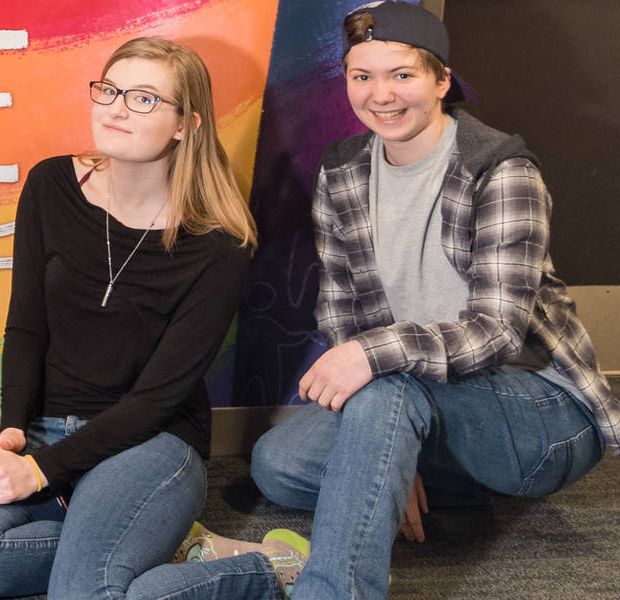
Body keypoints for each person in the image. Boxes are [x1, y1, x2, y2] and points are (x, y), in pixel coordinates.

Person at [248, 3, 617, 598]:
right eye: (361, 76)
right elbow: (344, 309)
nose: (380, 95)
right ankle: (399, 459)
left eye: (402, 75)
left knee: (387, 381)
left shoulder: (499, 168)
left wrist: (374, 359)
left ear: (442, 80)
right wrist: (384, 415)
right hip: (416, 396)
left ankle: (335, 590)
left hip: (539, 411)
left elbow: (498, 331)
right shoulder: (343, 170)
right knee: (277, 463)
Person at [0, 37, 299, 599]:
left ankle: (276, 572)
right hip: (49, 425)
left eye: (145, 98)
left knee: (84, 592)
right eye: (110, 90)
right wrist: (13, 430)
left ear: (185, 125)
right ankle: (158, 546)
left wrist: (43, 473)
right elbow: (26, 326)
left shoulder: (220, 243)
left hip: (151, 440)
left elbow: (156, 400)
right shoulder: (51, 185)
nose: (116, 107)